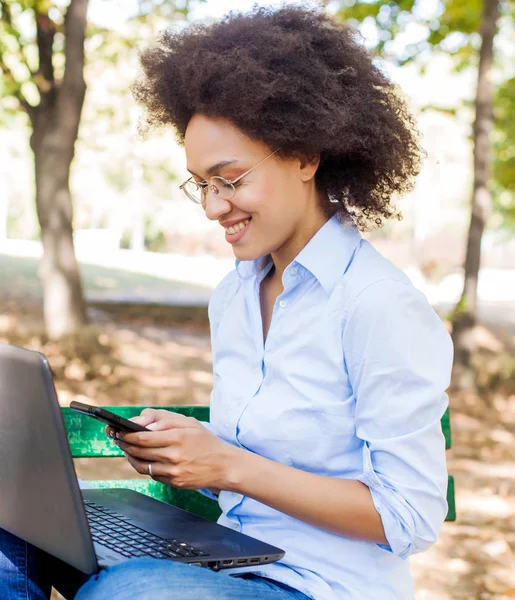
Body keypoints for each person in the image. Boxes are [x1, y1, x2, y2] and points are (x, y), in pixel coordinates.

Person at [0, 5, 453, 599]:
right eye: (202, 185)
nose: (214, 208)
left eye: (232, 179)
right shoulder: (236, 295)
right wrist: (188, 452)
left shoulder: (379, 306)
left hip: (323, 586)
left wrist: (229, 467)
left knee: (128, 594)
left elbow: (409, 517)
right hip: (229, 566)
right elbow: (252, 464)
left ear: (305, 157)